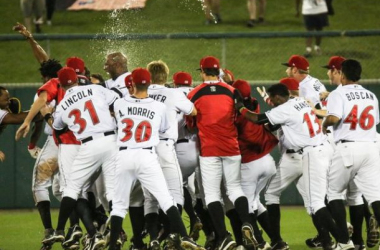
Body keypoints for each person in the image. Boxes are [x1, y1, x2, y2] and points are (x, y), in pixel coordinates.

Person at [108, 67, 201, 250]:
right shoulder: (158, 106)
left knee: (119, 205)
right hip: (147, 154)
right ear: (148, 83)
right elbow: (165, 127)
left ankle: (113, 246)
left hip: (124, 155)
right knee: (166, 199)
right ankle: (183, 236)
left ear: (132, 83)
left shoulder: (120, 103)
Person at [237, 83, 339, 250]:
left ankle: (277, 240)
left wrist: (241, 108)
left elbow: (257, 119)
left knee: (271, 194)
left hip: (296, 156)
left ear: (278, 97)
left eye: (272, 99)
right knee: (313, 202)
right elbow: (280, 121)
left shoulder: (284, 108)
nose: (270, 101)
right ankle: (328, 240)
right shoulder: (302, 102)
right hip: (314, 152)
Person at [43, 67, 120, 250]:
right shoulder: (96, 89)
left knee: (71, 188)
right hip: (112, 140)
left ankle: (60, 229)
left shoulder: (62, 103)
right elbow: (116, 100)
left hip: (89, 144)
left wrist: (47, 114)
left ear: (61, 84)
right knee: (111, 193)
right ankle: (115, 239)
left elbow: (58, 127)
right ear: (77, 80)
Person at [187, 56, 257, 250]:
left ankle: (224, 237)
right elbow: (238, 117)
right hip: (231, 146)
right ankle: (246, 222)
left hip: (209, 149)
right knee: (235, 190)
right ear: (218, 72)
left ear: (202, 72)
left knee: (211, 195)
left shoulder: (194, 93)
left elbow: (191, 125)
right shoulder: (232, 91)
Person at [322, 59, 380, 250]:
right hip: (371, 147)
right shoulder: (371, 95)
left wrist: (324, 124)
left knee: (333, 193)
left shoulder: (338, 93)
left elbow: (334, 118)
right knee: (374, 197)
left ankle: (344, 242)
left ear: (343, 75)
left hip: (348, 147)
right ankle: (357, 242)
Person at [146, 61, 197, 244]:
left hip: (144, 148)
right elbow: (193, 111)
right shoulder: (173, 93)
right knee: (176, 192)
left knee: (150, 198)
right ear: (166, 77)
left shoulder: (141, 93)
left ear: (149, 75)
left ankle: (152, 239)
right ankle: (175, 236)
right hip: (165, 147)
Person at [233, 79, 278, 250]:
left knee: (245, 206)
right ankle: (277, 240)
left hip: (250, 164)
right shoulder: (254, 103)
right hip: (267, 161)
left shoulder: (238, 115)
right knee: (255, 202)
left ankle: (259, 243)